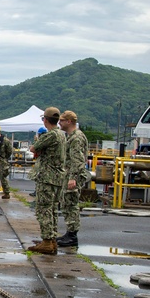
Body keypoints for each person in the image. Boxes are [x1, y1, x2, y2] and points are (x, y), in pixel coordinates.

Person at [28, 107, 67, 255]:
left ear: (45, 120)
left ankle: (46, 240)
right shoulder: (61, 135)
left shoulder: (50, 135)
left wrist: (37, 142)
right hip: (57, 177)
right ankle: (52, 240)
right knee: (52, 210)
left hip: (47, 177)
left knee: (43, 209)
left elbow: (33, 148)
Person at [57, 110, 90, 247]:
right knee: (67, 204)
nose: (60, 123)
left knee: (71, 205)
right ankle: (70, 232)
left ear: (69, 121)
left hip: (73, 175)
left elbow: (77, 160)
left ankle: (72, 235)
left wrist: (73, 178)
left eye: (62, 121)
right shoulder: (72, 136)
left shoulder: (76, 138)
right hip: (69, 174)